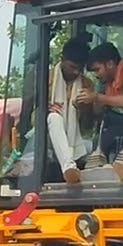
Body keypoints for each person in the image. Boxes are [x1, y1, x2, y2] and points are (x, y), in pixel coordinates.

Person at [76, 43, 123, 175]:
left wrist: (97, 97)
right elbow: (99, 113)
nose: (96, 75)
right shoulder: (108, 84)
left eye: (97, 70)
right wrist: (86, 105)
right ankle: (100, 165)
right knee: (106, 126)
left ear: (109, 63)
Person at [47, 38, 96, 183]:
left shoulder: (87, 84)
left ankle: (71, 168)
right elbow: (29, 112)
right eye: (72, 67)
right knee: (54, 118)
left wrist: (85, 109)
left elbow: (87, 127)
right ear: (62, 60)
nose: (76, 72)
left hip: (76, 141)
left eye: (79, 69)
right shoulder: (46, 78)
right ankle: (68, 167)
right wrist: (45, 109)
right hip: (46, 136)